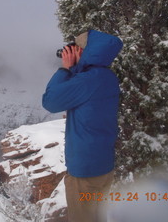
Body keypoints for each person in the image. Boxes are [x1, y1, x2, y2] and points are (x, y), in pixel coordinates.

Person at [42, 29, 123, 222]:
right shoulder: (107, 77)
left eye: (76, 48)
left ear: (87, 53)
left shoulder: (87, 81)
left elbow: (50, 101)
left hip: (85, 173)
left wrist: (65, 69)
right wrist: (77, 68)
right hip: (103, 166)